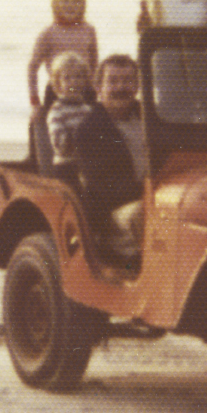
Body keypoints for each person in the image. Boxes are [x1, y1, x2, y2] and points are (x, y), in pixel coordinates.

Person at [72, 55, 147, 260]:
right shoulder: (89, 129)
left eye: (128, 80)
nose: (121, 87)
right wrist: (149, 189)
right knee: (143, 211)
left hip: (160, 197)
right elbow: (104, 189)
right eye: (113, 81)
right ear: (98, 88)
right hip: (113, 214)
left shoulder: (150, 118)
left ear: (138, 85)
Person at [27, 0, 98, 110]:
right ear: (55, 3)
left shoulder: (89, 30)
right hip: (57, 91)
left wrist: (97, 91)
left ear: (83, 3)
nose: (71, 4)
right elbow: (32, 68)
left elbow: (94, 65)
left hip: (85, 91)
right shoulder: (48, 33)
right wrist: (35, 103)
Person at [45, 52, 93, 170]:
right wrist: (83, 138)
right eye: (67, 78)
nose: (74, 81)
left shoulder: (88, 109)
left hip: (88, 163)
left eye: (78, 76)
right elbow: (59, 145)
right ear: (58, 83)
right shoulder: (57, 111)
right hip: (67, 165)